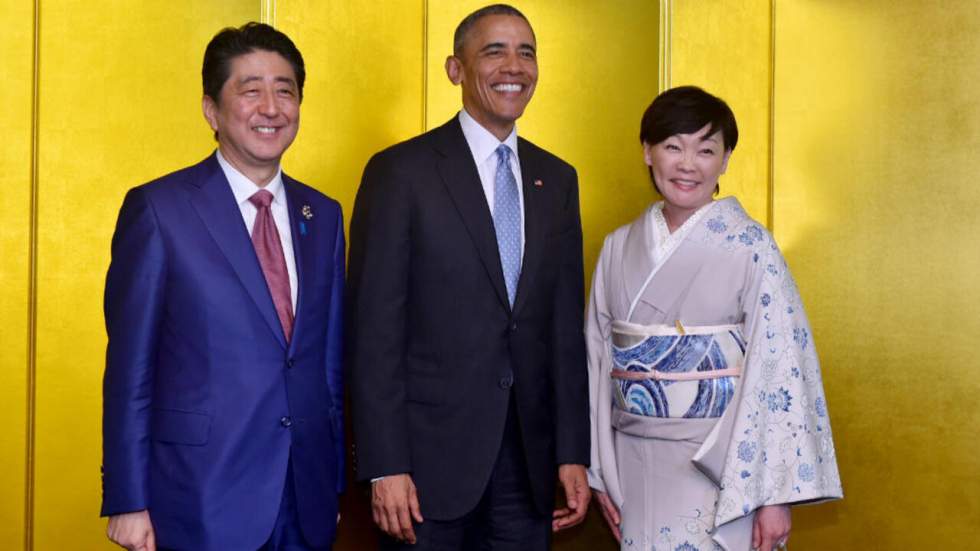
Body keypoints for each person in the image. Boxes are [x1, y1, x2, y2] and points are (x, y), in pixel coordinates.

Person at [348, 4, 590, 550]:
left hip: (528, 467)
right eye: (494, 51)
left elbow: (563, 331)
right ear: (455, 68)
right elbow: (374, 333)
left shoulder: (557, 179)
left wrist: (574, 451)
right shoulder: (400, 172)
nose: (514, 66)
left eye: (526, 52)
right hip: (423, 472)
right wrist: (384, 463)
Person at [101, 22, 345, 551]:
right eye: (250, 89)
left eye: (285, 90)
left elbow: (325, 364)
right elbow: (130, 369)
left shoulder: (322, 214)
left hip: (307, 498)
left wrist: (335, 485)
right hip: (199, 496)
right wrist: (126, 498)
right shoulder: (160, 210)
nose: (271, 107)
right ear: (212, 110)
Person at [586, 86, 843, 551]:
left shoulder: (752, 248)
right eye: (672, 147)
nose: (688, 164)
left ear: (725, 160)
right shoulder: (617, 247)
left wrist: (773, 497)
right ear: (647, 152)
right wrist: (597, 470)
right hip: (632, 462)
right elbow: (595, 360)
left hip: (725, 469)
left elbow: (782, 368)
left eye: (706, 150)